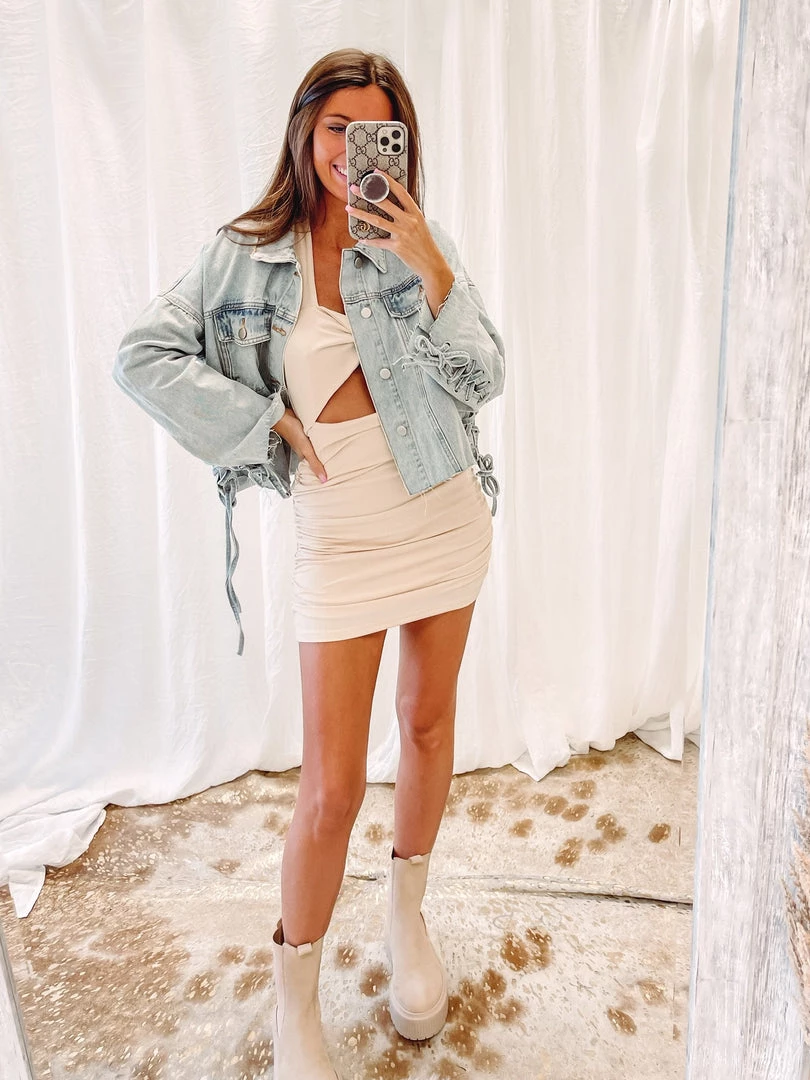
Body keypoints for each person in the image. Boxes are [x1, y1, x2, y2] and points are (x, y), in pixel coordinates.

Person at [113, 47, 505, 1080]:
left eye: (375, 131)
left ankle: (406, 917)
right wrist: (262, 424)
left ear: (399, 142)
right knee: (329, 789)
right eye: (337, 128)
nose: (351, 152)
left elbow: (486, 374)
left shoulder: (415, 242)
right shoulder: (243, 257)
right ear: (304, 131)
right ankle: (295, 996)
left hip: (444, 510)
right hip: (341, 534)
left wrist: (429, 262)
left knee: (427, 725)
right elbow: (143, 355)